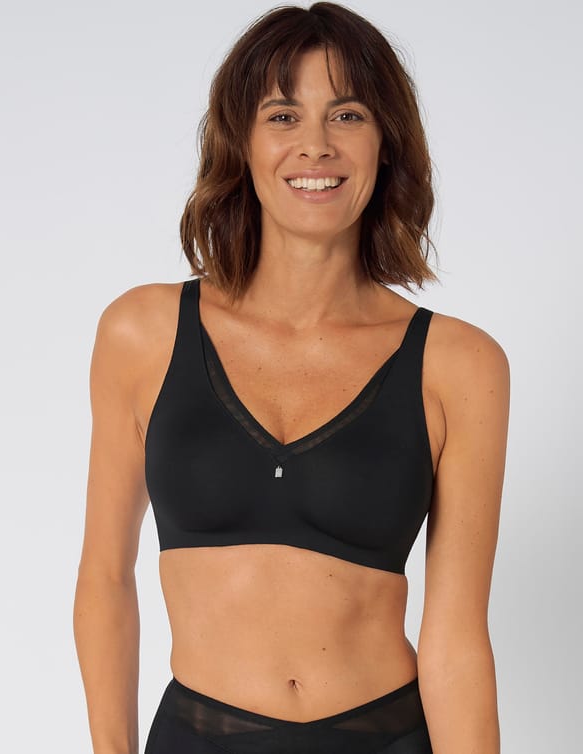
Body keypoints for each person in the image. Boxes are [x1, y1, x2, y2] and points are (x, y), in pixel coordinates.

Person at [73, 3, 510, 753]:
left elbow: (458, 635)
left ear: (385, 143)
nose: (316, 145)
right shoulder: (142, 333)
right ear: (240, 143)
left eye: (348, 115)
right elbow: (105, 580)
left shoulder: (460, 364)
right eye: (282, 116)